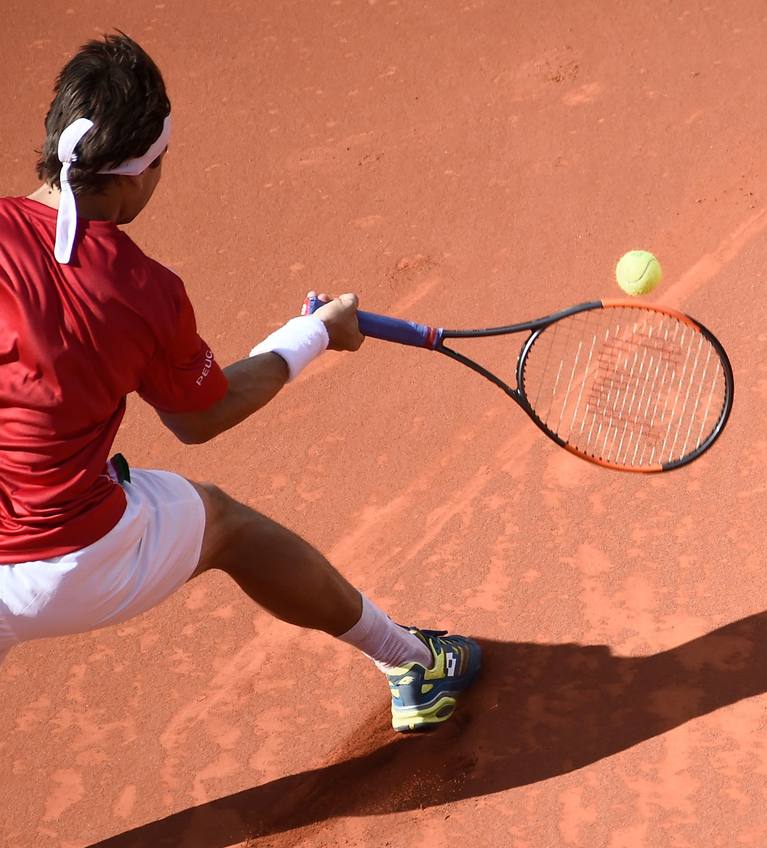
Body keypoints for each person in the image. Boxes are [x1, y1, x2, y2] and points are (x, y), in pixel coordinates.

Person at [0, 32, 481, 733]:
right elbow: (202, 416)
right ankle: (413, 662)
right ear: (133, 174)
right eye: (161, 163)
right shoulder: (140, 288)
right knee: (227, 525)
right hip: (67, 561)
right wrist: (314, 333)